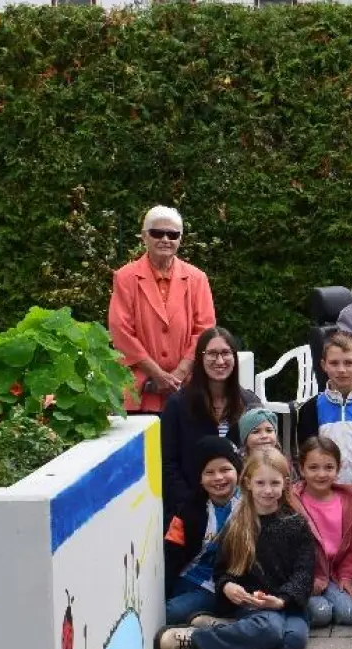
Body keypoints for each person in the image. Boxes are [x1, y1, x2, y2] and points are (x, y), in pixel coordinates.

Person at [153, 449, 313, 649]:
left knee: (293, 641)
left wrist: (282, 600)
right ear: (248, 483)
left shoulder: (296, 524)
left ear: (285, 483)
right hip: (252, 605)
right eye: (260, 483)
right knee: (270, 630)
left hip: (287, 604)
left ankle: (227, 628)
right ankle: (191, 638)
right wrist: (228, 586)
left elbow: (304, 573)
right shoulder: (237, 524)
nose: (268, 490)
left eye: (274, 483)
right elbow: (222, 571)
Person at [109, 206, 217, 414]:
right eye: (157, 233)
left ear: (180, 239)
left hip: (187, 385)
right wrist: (156, 373)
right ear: (144, 236)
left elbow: (205, 329)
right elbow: (120, 330)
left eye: (173, 234)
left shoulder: (197, 278)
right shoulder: (125, 277)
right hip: (139, 387)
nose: (165, 239)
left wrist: (180, 372)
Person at [160, 327, 264, 519]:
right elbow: (168, 464)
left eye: (225, 353)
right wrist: (189, 507)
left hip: (243, 511)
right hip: (191, 511)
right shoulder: (177, 405)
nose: (220, 361)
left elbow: (263, 457)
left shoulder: (250, 403)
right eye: (212, 354)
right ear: (200, 358)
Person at [161, 437, 244, 627]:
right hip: (191, 577)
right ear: (199, 477)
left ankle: (220, 622)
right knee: (163, 609)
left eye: (225, 469)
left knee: (171, 612)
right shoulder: (189, 509)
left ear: (238, 470)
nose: (218, 478)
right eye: (209, 472)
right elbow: (171, 553)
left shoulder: (250, 504)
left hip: (226, 583)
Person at [291, 437, 352, 628]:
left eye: (329, 467)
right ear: (301, 469)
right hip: (305, 577)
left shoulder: (347, 501)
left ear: (338, 468)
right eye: (313, 468)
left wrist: (347, 577)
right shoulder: (293, 501)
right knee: (321, 614)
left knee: (351, 613)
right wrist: (306, 580)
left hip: (333, 575)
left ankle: (329, 603)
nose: (321, 474)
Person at [296, 331, 352, 485]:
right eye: (334, 363)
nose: (341, 370)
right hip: (325, 490)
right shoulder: (310, 408)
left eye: (348, 363)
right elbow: (305, 455)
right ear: (324, 365)